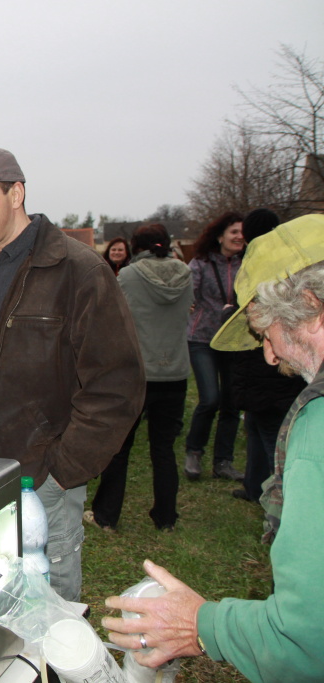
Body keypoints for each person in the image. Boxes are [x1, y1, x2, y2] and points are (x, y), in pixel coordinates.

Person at [103, 214, 324, 682]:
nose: (270, 355)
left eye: (267, 333)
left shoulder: (317, 427)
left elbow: (305, 638)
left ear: (310, 305)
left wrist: (202, 624)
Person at [0, 147, 144, 602]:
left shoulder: (78, 270)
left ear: (16, 194)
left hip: (38, 482)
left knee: (48, 614)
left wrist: (61, 471)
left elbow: (116, 384)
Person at [85, 224, 192, 532]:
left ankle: (106, 516)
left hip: (137, 372)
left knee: (119, 447)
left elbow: (112, 319)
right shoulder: (187, 273)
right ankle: (166, 517)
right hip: (175, 371)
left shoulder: (129, 276)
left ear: (135, 246)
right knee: (164, 449)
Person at [229, 209, 305, 507]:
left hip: (263, 363)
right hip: (271, 363)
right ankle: (254, 485)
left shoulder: (254, 265)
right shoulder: (291, 261)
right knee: (257, 425)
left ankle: (283, 497)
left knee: (272, 433)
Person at [183, 211, 246, 482]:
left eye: (242, 233)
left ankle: (223, 461)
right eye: (234, 232)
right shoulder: (200, 264)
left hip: (235, 340)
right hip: (203, 338)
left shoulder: (248, 264)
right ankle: (194, 452)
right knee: (210, 398)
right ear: (220, 236)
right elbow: (188, 294)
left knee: (232, 403)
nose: (239, 237)